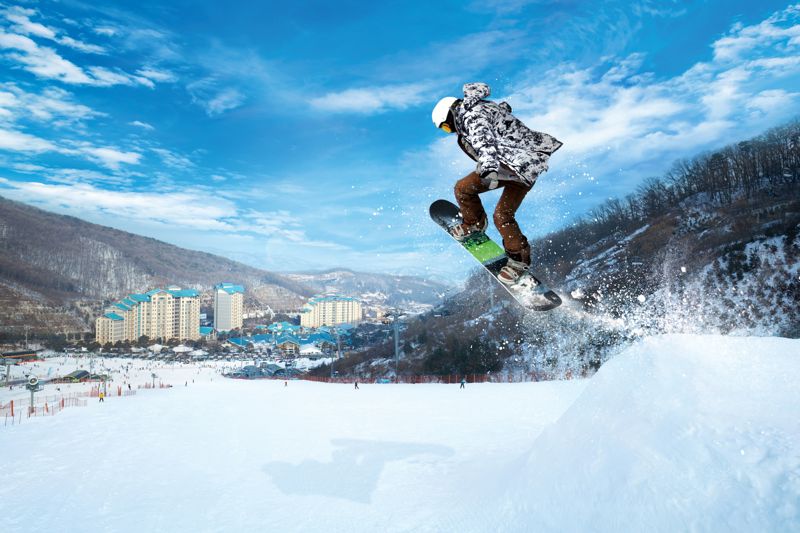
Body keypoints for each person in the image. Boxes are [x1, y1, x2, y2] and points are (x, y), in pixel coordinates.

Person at [432, 83, 562, 285]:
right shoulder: (482, 108)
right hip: (524, 166)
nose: (450, 132)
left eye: (446, 127)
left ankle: (491, 238)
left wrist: (489, 168)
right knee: (487, 204)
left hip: (511, 167)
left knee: (477, 198)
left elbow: (485, 142)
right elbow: (501, 123)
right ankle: (489, 235)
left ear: (450, 114)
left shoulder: (471, 116)